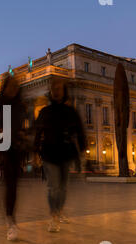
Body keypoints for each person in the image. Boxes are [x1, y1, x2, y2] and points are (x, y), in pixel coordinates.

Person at [33, 78, 86, 233]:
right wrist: (35, 150)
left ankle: (60, 211)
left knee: (62, 187)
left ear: (64, 91)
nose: (56, 91)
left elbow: (80, 130)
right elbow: (37, 131)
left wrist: (82, 149)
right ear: (51, 92)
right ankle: (54, 216)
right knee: (53, 187)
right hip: (49, 153)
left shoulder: (70, 111)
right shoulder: (45, 111)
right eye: (54, 88)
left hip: (65, 153)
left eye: (59, 88)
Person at [0, 75, 28, 241]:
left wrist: (24, 134)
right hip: (4, 147)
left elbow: (27, 124)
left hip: (17, 148)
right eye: (10, 86)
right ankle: (10, 219)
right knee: (10, 182)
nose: (13, 89)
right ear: (5, 87)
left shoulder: (21, 106)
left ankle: (10, 216)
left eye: (16, 86)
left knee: (13, 183)